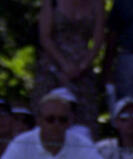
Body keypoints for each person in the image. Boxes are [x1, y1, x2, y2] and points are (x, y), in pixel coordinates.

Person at [33, 0, 105, 132]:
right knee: (48, 116)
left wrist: (84, 65)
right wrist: (64, 64)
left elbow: (98, 39)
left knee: (85, 121)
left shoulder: (98, 3)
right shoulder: (51, 2)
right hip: (52, 66)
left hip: (83, 69)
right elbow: (44, 37)